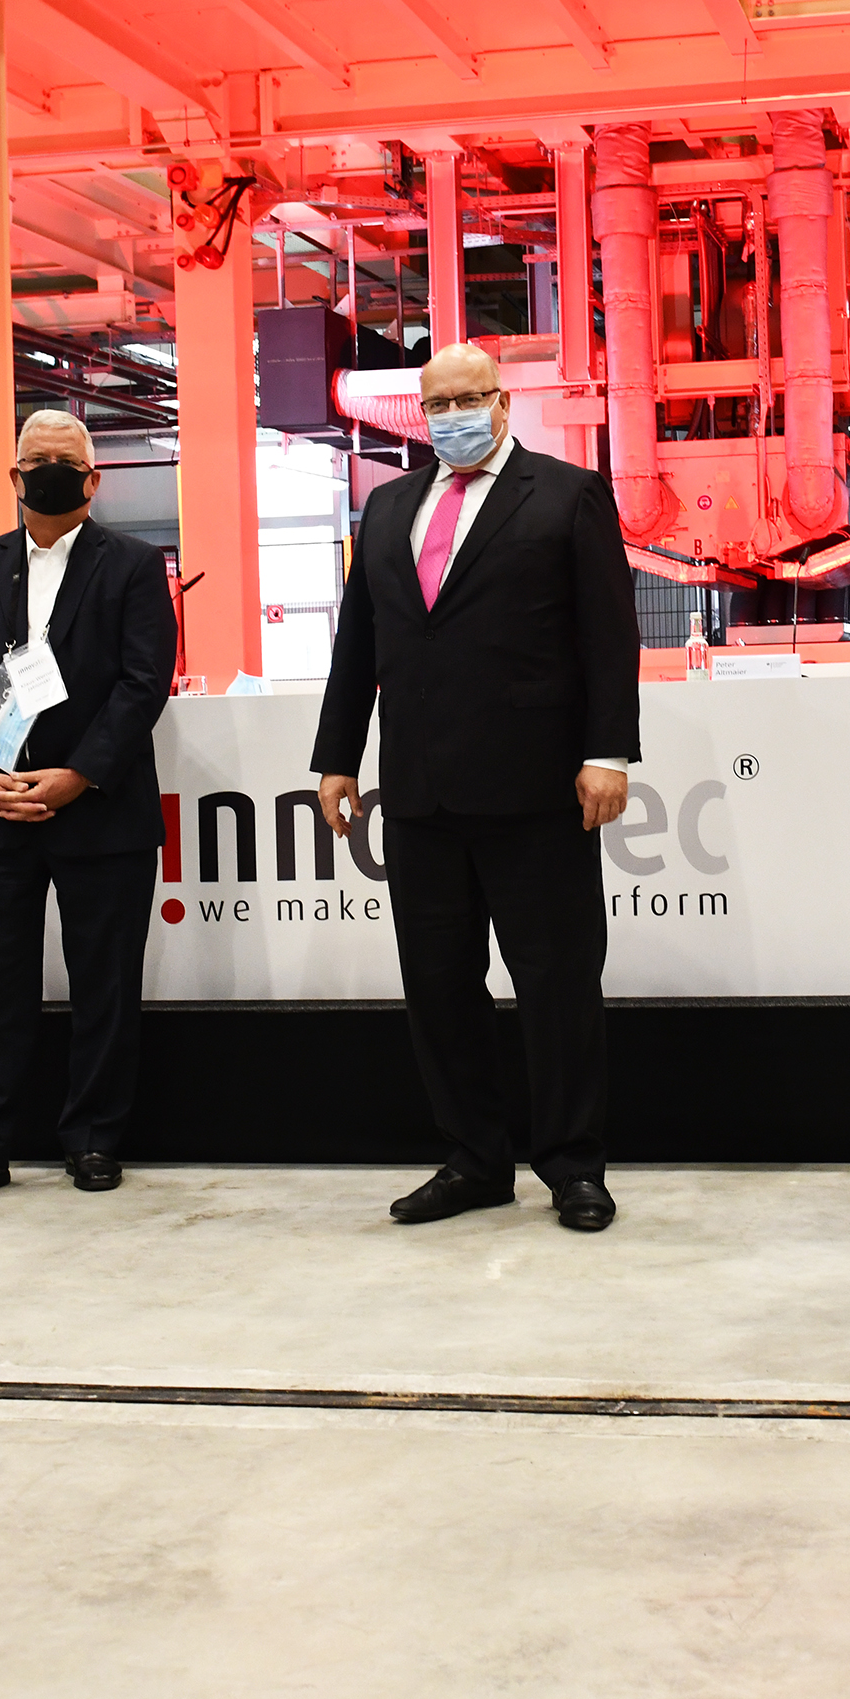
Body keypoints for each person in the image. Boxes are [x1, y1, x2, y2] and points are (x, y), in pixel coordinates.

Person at [313, 341, 643, 1233]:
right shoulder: (386, 508)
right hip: (418, 795)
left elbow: (608, 638)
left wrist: (608, 752)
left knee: (557, 985)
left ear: (502, 402)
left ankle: (573, 1165)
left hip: (538, 788)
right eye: (437, 402)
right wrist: (335, 756)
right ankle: (472, 1159)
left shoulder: (568, 494)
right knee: (438, 985)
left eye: (469, 397)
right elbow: (360, 647)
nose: (453, 413)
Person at [0, 410, 179, 1206]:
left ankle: (95, 1138)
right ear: (14, 475)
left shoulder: (135, 566)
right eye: (38, 460)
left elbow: (145, 684)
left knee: (105, 985)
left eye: (68, 461)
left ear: (93, 479)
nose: (52, 471)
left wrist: (80, 774)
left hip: (100, 811)